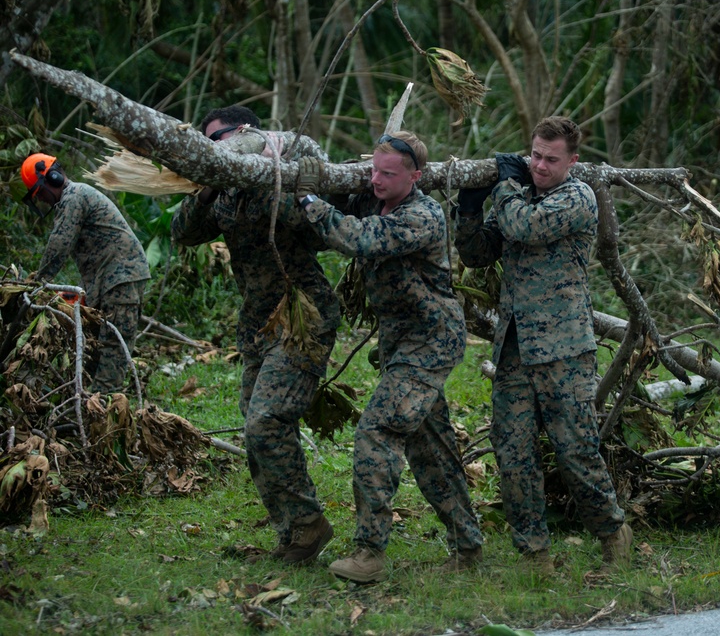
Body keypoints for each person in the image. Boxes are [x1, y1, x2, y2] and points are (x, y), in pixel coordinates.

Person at [295, 131, 483, 583]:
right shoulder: (375, 199)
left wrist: (310, 201)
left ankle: (369, 552)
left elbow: (361, 240)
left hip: (431, 341)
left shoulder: (423, 215)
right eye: (373, 171)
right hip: (403, 345)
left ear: (415, 177)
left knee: (377, 431)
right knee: (430, 446)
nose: (376, 180)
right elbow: (352, 210)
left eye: (388, 174)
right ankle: (469, 545)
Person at [454, 116, 632, 574]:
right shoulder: (521, 192)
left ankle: (614, 534)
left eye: (551, 159)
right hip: (515, 346)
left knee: (575, 449)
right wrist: (470, 209)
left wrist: (505, 185)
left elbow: (526, 227)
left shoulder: (578, 197)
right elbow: (478, 253)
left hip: (564, 348)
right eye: (534, 155)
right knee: (512, 450)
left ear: (572, 161)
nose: (539, 166)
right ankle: (534, 553)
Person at [171, 105, 340, 565]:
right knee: (254, 428)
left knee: (266, 421)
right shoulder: (222, 194)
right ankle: (292, 533)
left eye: (221, 139)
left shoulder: (279, 176)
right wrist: (206, 191)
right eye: (209, 144)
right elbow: (181, 232)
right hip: (257, 325)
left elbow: (320, 231)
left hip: (302, 316)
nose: (218, 148)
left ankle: (308, 525)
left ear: (245, 134)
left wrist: (275, 182)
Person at [20, 152, 150, 394]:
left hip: (121, 276)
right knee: (99, 341)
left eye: (41, 194)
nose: (44, 201)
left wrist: (39, 283)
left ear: (53, 179)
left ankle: (103, 404)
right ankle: (94, 399)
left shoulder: (73, 197)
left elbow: (60, 244)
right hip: (109, 278)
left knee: (112, 344)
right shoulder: (74, 197)